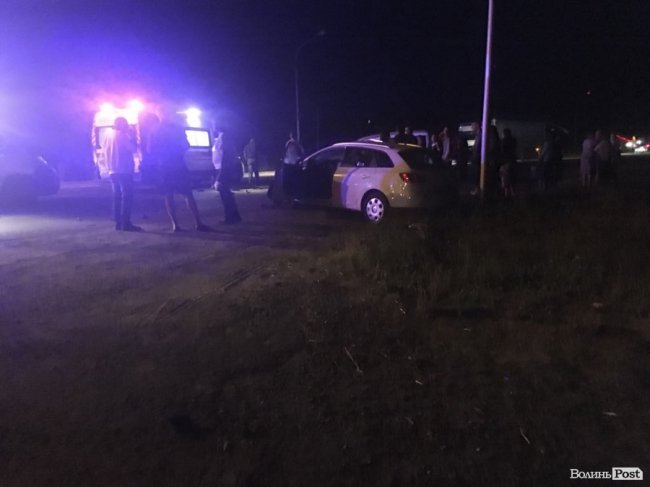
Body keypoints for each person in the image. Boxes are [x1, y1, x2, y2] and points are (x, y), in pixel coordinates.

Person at [150, 114, 210, 232]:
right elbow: (186, 145)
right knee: (187, 194)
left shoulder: (155, 130)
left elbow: (150, 149)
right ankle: (198, 223)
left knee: (169, 195)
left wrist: (160, 157)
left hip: (164, 166)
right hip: (178, 164)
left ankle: (175, 225)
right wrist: (178, 151)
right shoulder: (177, 128)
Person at [103, 117, 142, 231]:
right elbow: (133, 149)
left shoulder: (108, 135)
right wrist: (133, 137)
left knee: (117, 196)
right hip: (124, 170)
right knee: (127, 196)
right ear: (122, 125)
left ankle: (118, 222)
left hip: (112, 170)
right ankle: (126, 222)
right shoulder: (123, 136)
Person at [217, 131, 242, 224]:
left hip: (225, 176)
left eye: (221, 139)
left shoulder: (226, 152)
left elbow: (224, 166)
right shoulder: (231, 150)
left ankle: (230, 218)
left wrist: (218, 179)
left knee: (226, 197)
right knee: (229, 196)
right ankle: (235, 216)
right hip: (229, 175)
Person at [499, 128, 517, 198]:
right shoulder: (513, 141)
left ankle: (506, 194)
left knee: (505, 178)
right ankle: (513, 193)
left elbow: (502, 151)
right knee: (512, 178)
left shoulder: (503, 142)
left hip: (505, 161)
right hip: (512, 160)